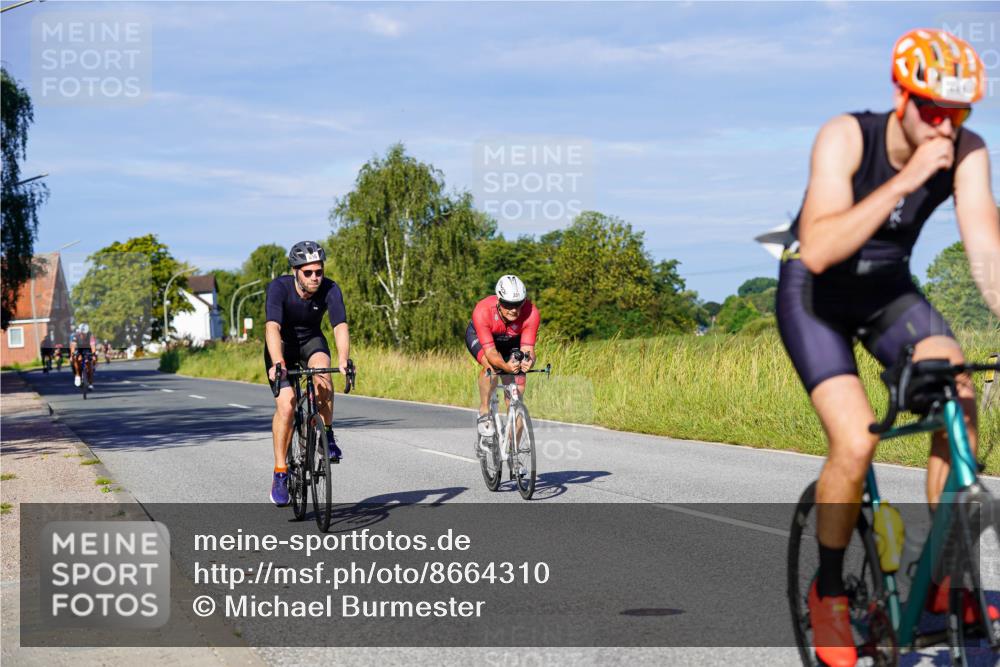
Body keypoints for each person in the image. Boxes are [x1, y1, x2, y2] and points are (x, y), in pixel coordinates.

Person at [775, 29, 1000, 666]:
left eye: (958, 115)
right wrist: (905, 180)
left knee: (958, 389)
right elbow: (818, 248)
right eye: (932, 110)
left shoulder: (968, 150)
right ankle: (829, 593)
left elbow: (988, 257)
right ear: (901, 98)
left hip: (889, 293)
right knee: (856, 439)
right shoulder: (847, 135)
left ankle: (943, 586)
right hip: (814, 294)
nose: (945, 127)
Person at [264, 241, 351, 506]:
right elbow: (272, 327)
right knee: (287, 408)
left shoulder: (330, 289)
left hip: (311, 341)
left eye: (319, 271)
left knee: (323, 375)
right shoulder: (279, 288)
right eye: (308, 273)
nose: (315, 277)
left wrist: (344, 359)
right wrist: (278, 361)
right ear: (295, 272)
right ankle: (280, 472)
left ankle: (328, 432)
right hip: (283, 347)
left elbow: (339, 326)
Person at [465, 275, 540, 439]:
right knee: (492, 368)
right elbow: (491, 353)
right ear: (499, 300)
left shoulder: (531, 312)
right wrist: (506, 368)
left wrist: (528, 361)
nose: (514, 309)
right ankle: (485, 410)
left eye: (518, 304)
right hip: (483, 339)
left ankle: (514, 456)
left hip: (512, 341)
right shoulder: (482, 310)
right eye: (508, 304)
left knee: (516, 396)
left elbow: (528, 349)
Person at [69, 323, 96, 389]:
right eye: (82, 334)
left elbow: (93, 346)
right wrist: (72, 355)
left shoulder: (90, 335)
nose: (83, 335)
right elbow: (73, 346)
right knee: (76, 358)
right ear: (79, 332)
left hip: (87, 349)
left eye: (85, 334)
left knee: (90, 365)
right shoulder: (76, 335)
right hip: (79, 349)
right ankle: (78, 375)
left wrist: (93, 355)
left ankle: (90, 383)